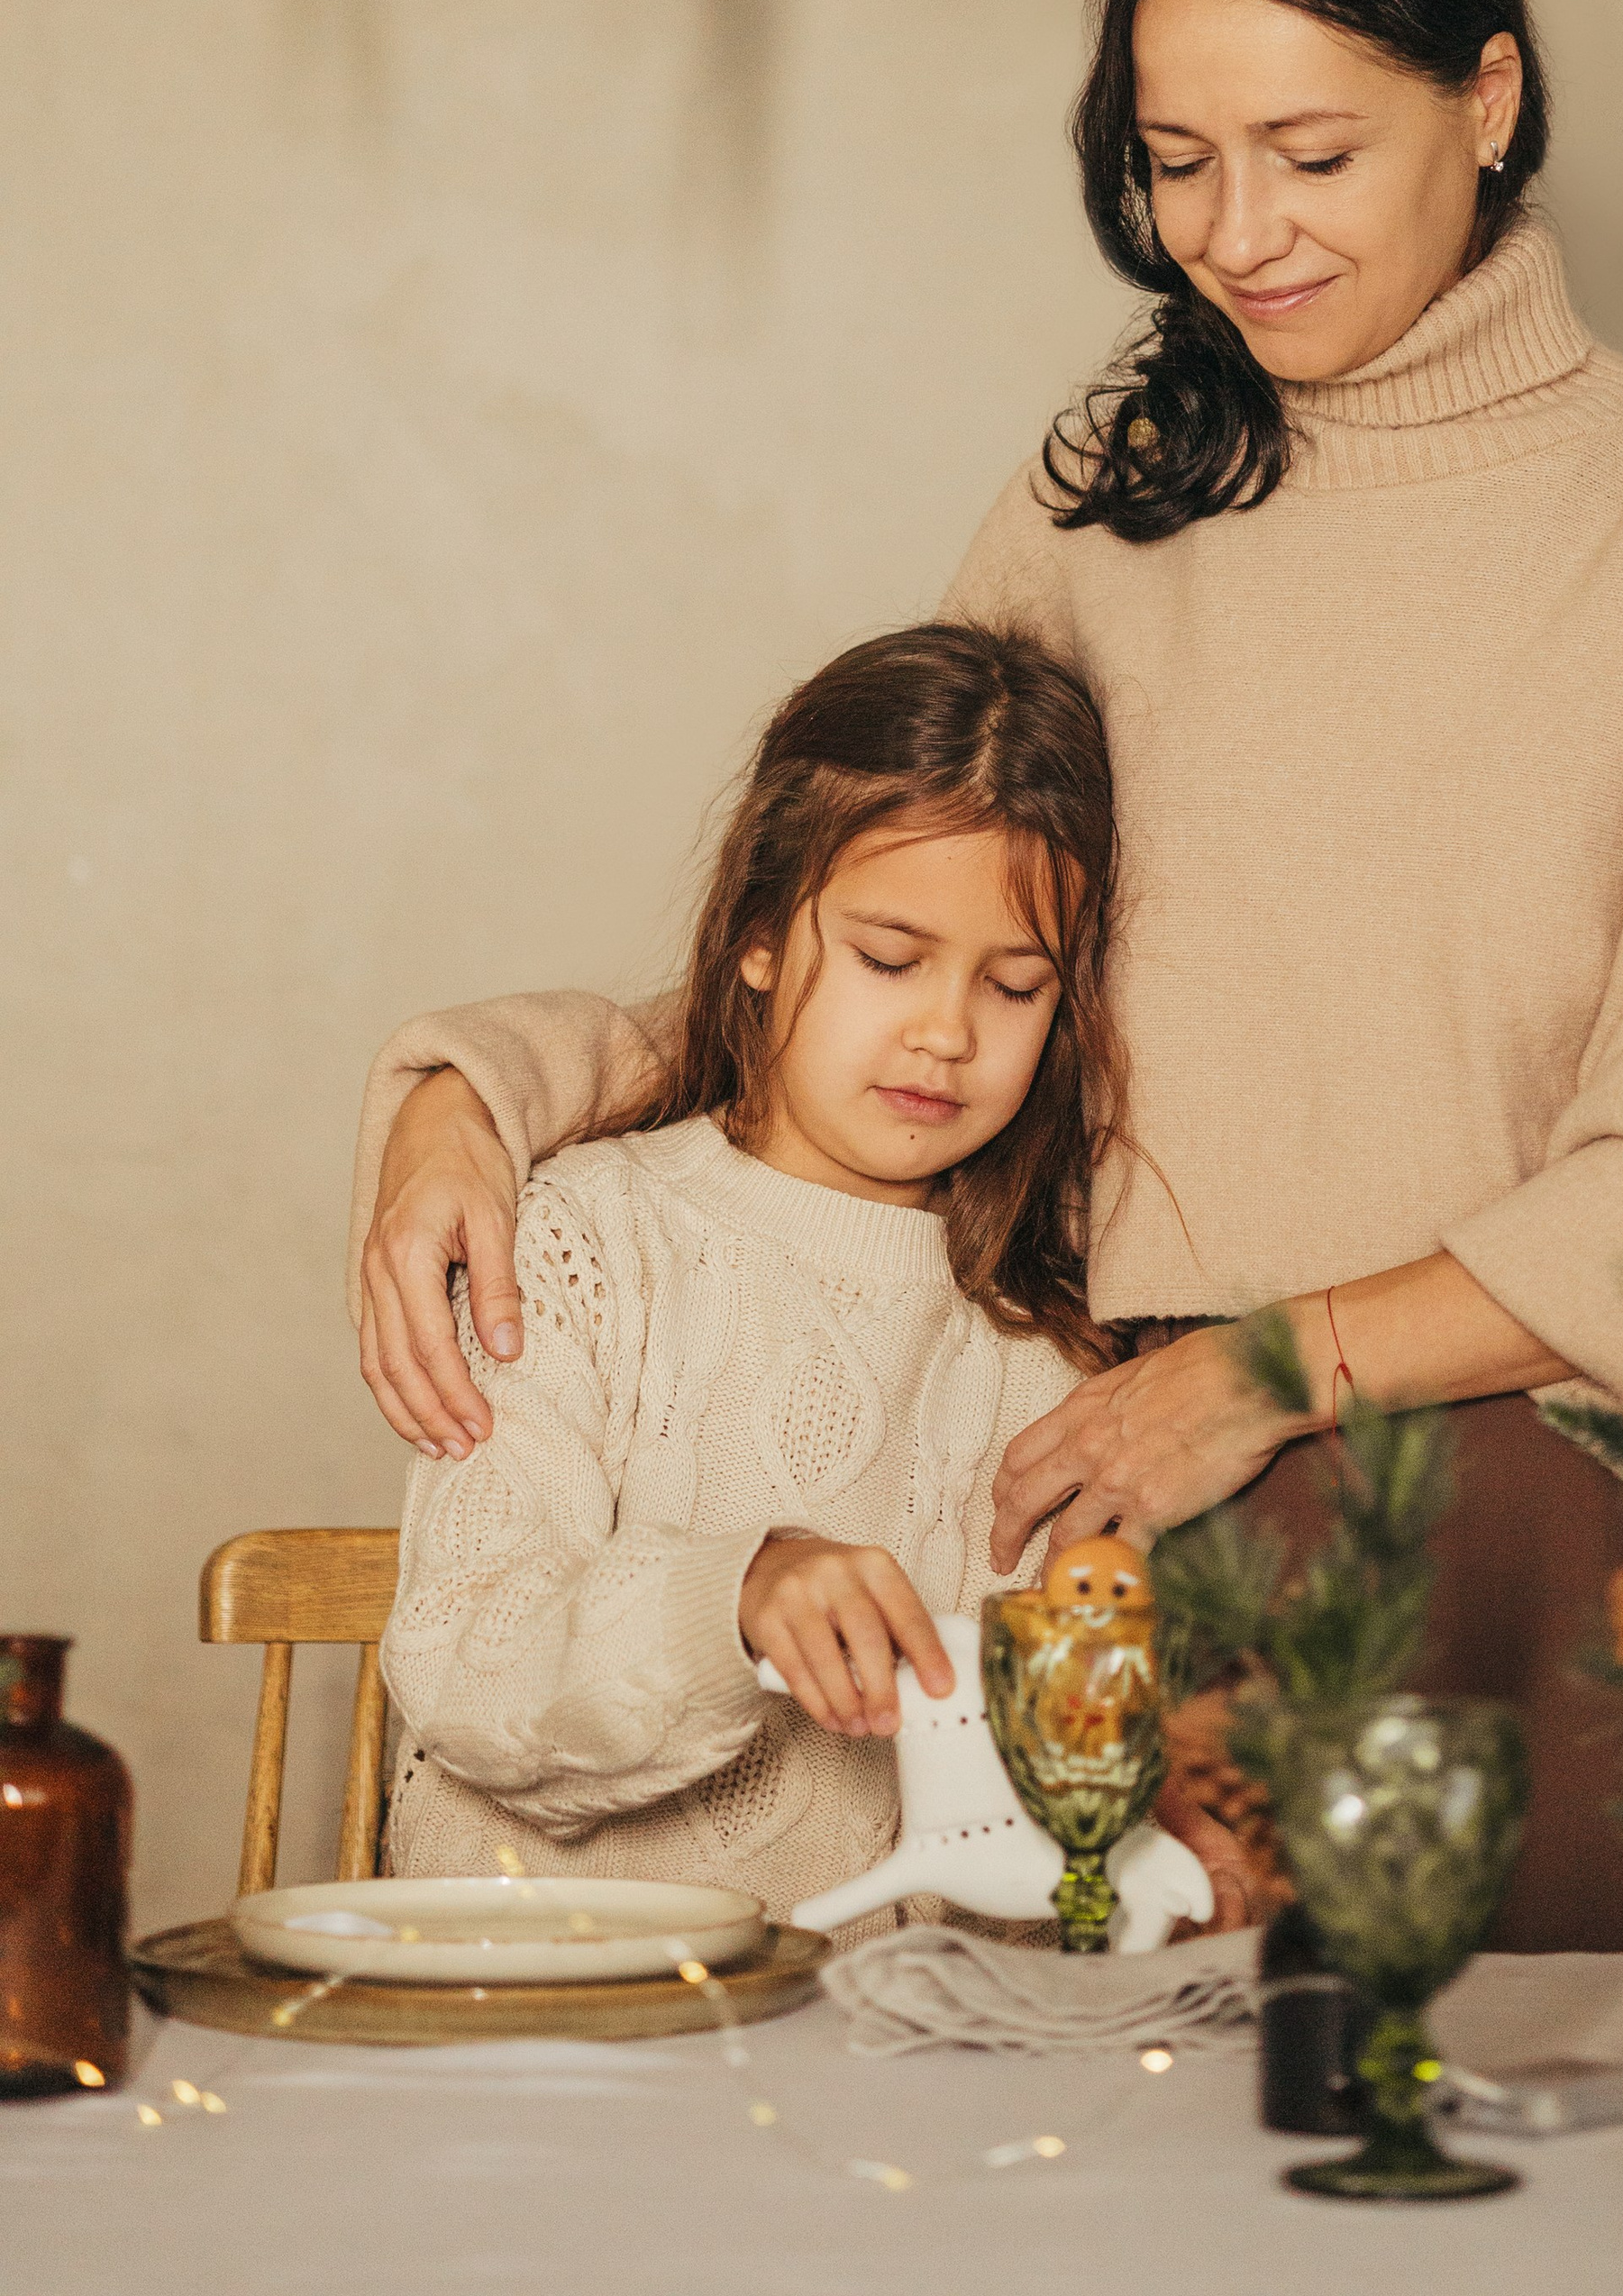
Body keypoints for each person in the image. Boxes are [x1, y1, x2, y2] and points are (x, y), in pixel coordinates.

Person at [356, 0, 1623, 1948]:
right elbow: (881, 940)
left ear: (1489, 97)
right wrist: (491, 1087)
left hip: (1517, 1514)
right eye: (1175, 163)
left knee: (1526, 2208)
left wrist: (1277, 1371)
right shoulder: (1111, 499)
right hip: (1076, 1509)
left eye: (1313, 154)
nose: (1239, 234)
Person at [378, 621, 1240, 1926]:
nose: (945, 1032)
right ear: (761, 933)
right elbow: (465, 1662)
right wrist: (735, 1589)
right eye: (890, 958)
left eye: (1013, 987)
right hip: (535, 2006)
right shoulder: (579, 1240)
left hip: (867, 2051)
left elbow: (1016, 1820)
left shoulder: (1048, 1346)